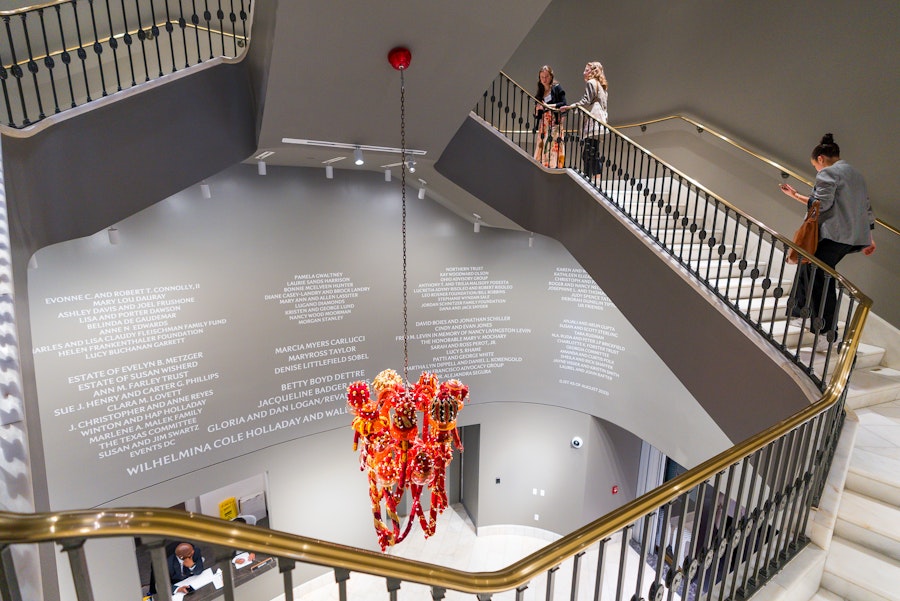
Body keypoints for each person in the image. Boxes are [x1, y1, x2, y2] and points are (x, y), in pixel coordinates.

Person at [779, 133, 876, 349]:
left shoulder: (828, 174)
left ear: (820, 159)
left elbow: (821, 205)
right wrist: (869, 237)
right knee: (810, 268)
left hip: (832, 235)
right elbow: (866, 208)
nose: (817, 171)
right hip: (850, 238)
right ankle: (799, 311)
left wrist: (807, 198)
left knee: (821, 281)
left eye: (815, 166)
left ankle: (826, 332)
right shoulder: (856, 175)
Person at [562, 61, 608, 180]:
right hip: (600, 122)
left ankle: (594, 179)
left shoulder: (591, 83)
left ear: (592, 72)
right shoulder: (602, 86)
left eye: (586, 70)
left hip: (593, 122)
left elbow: (586, 101)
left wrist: (571, 107)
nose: (584, 73)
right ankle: (592, 178)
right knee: (591, 151)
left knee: (590, 152)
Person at [532, 65, 567, 168]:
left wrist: (547, 106)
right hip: (544, 123)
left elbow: (563, 103)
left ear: (551, 76)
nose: (544, 79)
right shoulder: (540, 92)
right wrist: (537, 110)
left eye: (546, 76)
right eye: (542, 77)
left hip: (554, 121)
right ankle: (543, 165)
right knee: (543, 144)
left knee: (552, 144)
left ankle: (553, 166)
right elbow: (537, 115)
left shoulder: (556, 88)